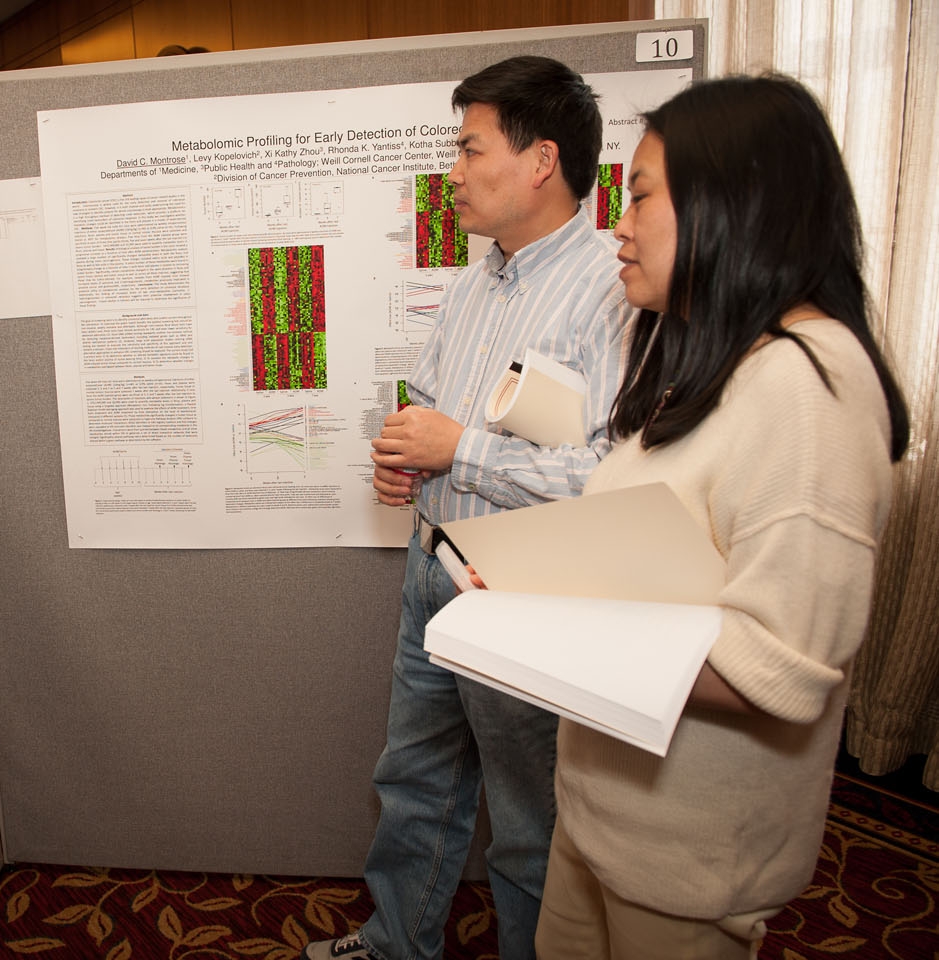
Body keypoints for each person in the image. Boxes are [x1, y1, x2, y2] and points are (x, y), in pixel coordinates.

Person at [533, 73, 910, 960]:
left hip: (686, 849)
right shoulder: (714, 358)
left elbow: (771, 671)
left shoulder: (807, 387)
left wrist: (543, 626)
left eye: (638, 198)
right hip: (605, 812)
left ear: (725, 204)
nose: (615, 227)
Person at [304, 56, 634, 960]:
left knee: (526, 820)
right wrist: (406, 462)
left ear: (540, 161)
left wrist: (463, 450)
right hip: (431, 566)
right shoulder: (469, 283)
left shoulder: (615, 290)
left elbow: (610, 477)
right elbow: (436, 415)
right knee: (413, 778)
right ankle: (394, 945)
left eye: (467, 148)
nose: (450, 171)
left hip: (522, 586)